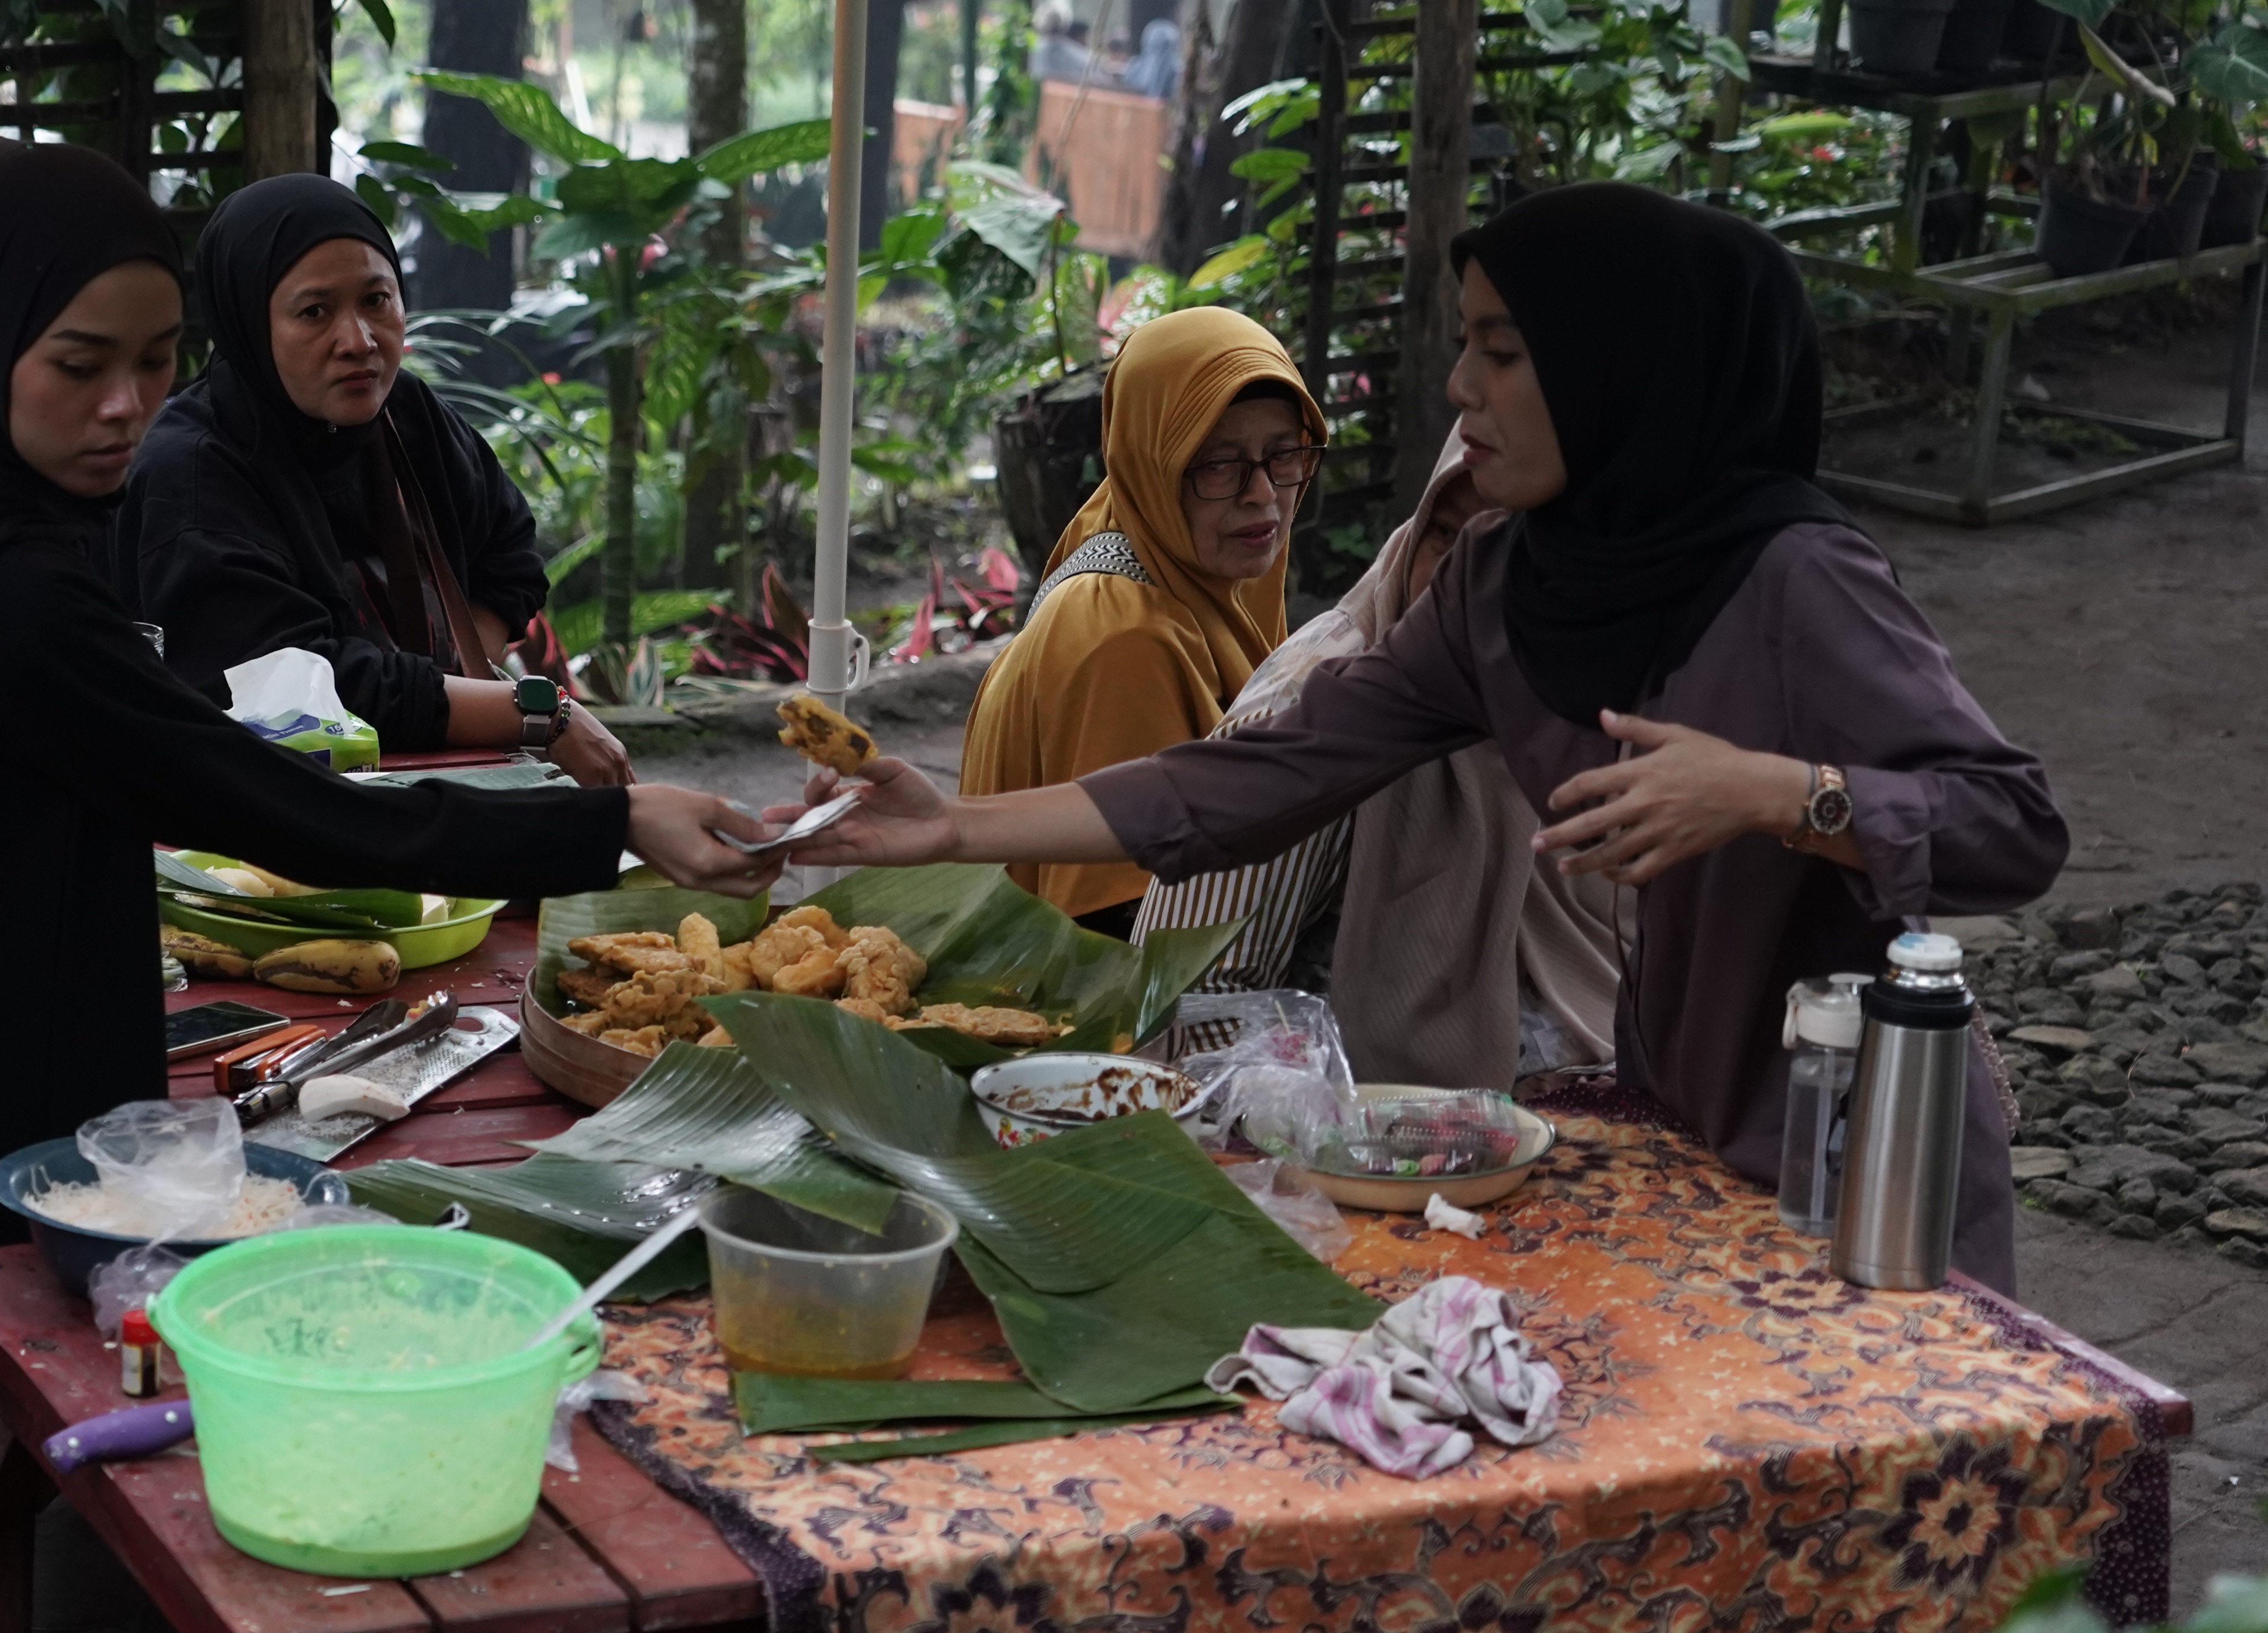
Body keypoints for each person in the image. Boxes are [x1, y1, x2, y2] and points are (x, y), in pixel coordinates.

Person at [0, 145, 772, 1633]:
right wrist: (609, 827)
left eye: (157, 361)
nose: (124, 407)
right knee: (11, 1557)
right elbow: (268, 800)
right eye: (79, 364)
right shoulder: (12, 578)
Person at [789, 182, 2062, 1289]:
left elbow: (2013, 827)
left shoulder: (1800, 579)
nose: (1460, 389)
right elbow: (1257, 774)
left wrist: (1779, 792)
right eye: (1466, 345)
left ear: (1620, 368)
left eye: (1501, 352)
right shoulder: (1502, 586)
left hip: (1856, 1157)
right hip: (1679, 1138)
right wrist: (950, 828)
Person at [1132, 435, 1625, 1085]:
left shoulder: (1594, 681)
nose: (1460, 578)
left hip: (1590, 1093)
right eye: (1443, 535)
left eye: (1508, 546)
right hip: (1361, 1117)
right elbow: (1181, 996)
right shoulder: (1322, 704)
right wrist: (1305, 1113)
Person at [120, 174, 633, 784]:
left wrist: (454, 688)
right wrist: (536, 715)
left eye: (376, 300)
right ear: (250, 324)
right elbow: (294, 689)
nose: (358, 341)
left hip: (428, 781)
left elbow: (509, 553)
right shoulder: (194, 475)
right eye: (315, 312)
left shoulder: (406, 416)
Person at [955, 306, 1324, 933]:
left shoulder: (1163, 555)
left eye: (1284, 454)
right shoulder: (1125, 639)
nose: (1263, 494)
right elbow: (1120, 931)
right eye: (1219, 464)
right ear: (1150, 466)